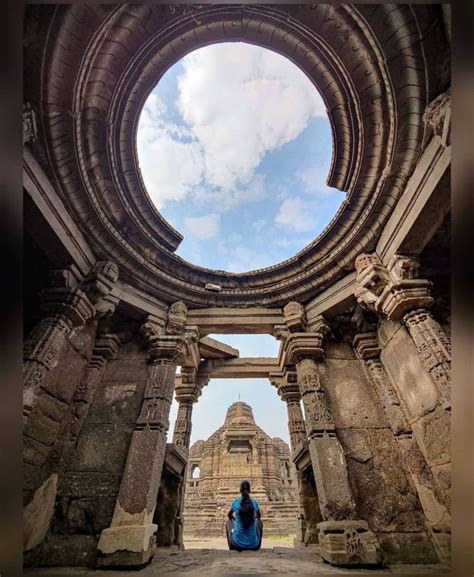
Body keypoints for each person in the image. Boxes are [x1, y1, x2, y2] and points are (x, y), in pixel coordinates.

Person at [226, 480, 263, 551]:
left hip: (236, 545)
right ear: (249, 490)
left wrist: (236, 519)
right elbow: (258, 516)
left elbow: (229, 515)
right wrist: (252, 518)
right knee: (259, 521)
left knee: (229, 522)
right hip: (254, 545)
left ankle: (231, 547)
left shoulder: (235, 502)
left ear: (240, 490)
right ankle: (254, 542)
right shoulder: (254, 503)